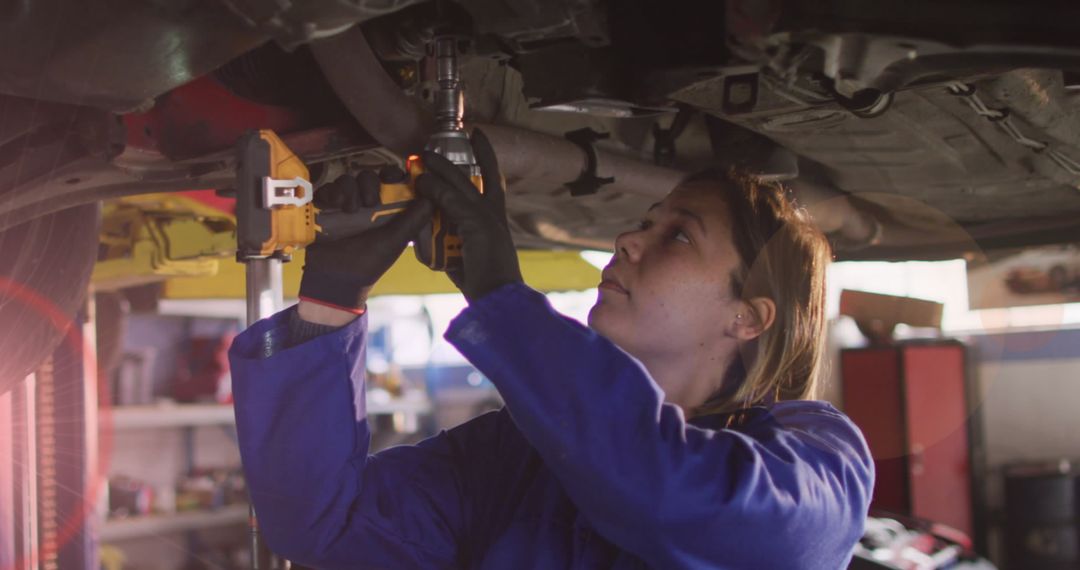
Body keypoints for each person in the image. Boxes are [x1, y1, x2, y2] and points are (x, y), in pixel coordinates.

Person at [229, 130, 874, 569]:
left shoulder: (818, 463)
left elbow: (672, 493)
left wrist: (503, 297)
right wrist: (329, 302)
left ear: (748, 317)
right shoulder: (516, 455)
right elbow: (324, 527)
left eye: (679, 236)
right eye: (646, 220)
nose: (627, 238)